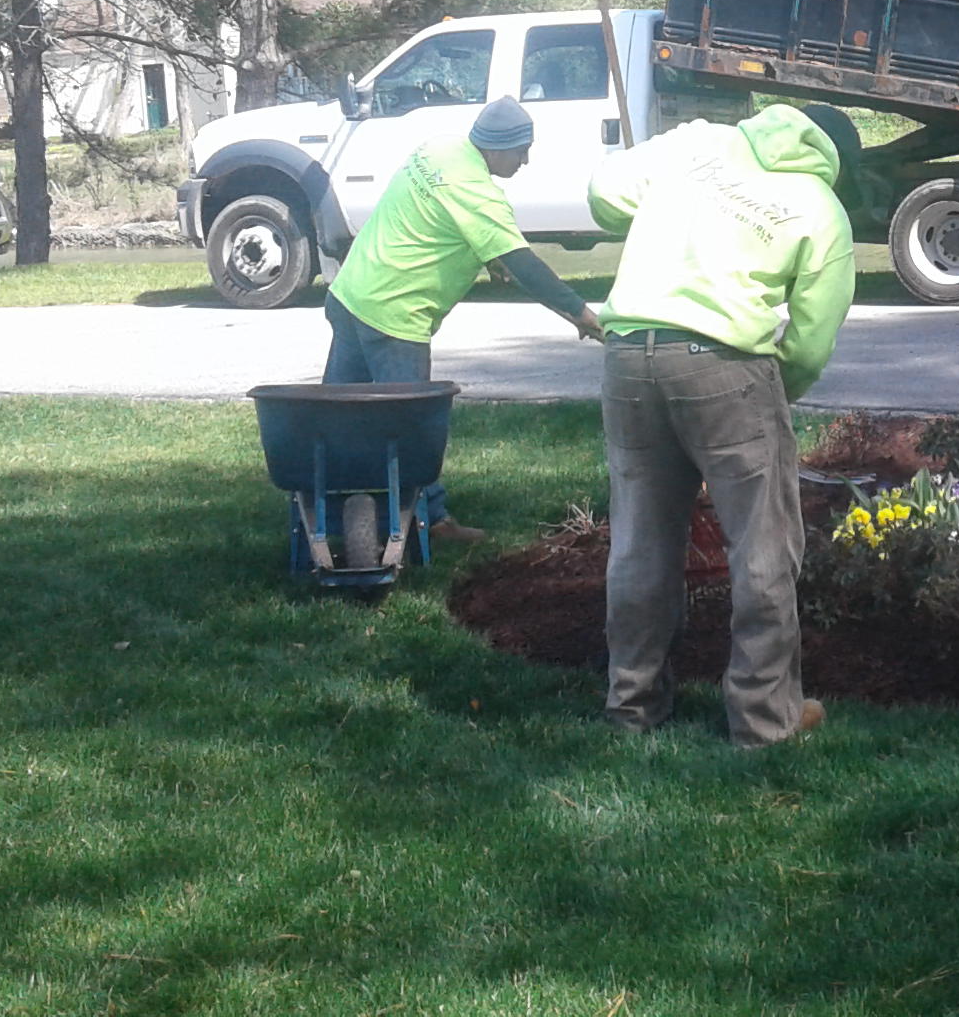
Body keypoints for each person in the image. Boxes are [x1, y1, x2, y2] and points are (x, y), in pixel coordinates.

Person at [588, 102, 858, 748]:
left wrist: (659, 210)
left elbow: (603, 194)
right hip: (727, 364)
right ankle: (764, 723)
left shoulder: (698, 141)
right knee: (763, 548)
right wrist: (774, 393)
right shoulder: (820, 205)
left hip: (627, 353)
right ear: (834, 157)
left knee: (641, 541)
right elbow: (813, 338)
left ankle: (633, 707)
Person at [324, 96, 602, 541]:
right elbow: (527, 267)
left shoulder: (438, 149)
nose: (525, 160)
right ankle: (432, 522)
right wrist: (581, 314)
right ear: (495, 149)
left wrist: (484, 257)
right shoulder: (479, 194)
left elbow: (435, 214)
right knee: (413, 428)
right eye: (520, 150)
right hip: (396, 316)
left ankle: (331, 510)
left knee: (333, 420)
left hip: (352, 294)